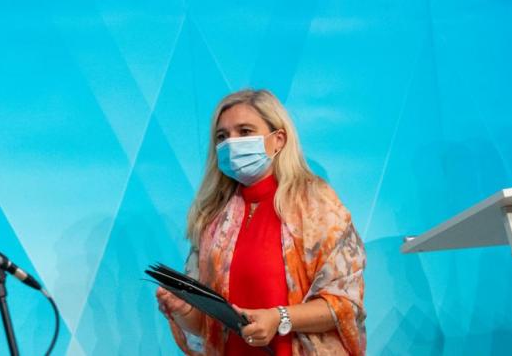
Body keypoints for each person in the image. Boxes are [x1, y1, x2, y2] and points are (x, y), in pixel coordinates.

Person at [155, 89, 367, 355]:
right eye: (222, 136)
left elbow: (345, 303)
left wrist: (279, 318)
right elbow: (207, 329)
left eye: (245, 132)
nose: (231, 143)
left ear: (278, 139)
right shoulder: (213, 217)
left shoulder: (315, 203)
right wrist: (183, 309)